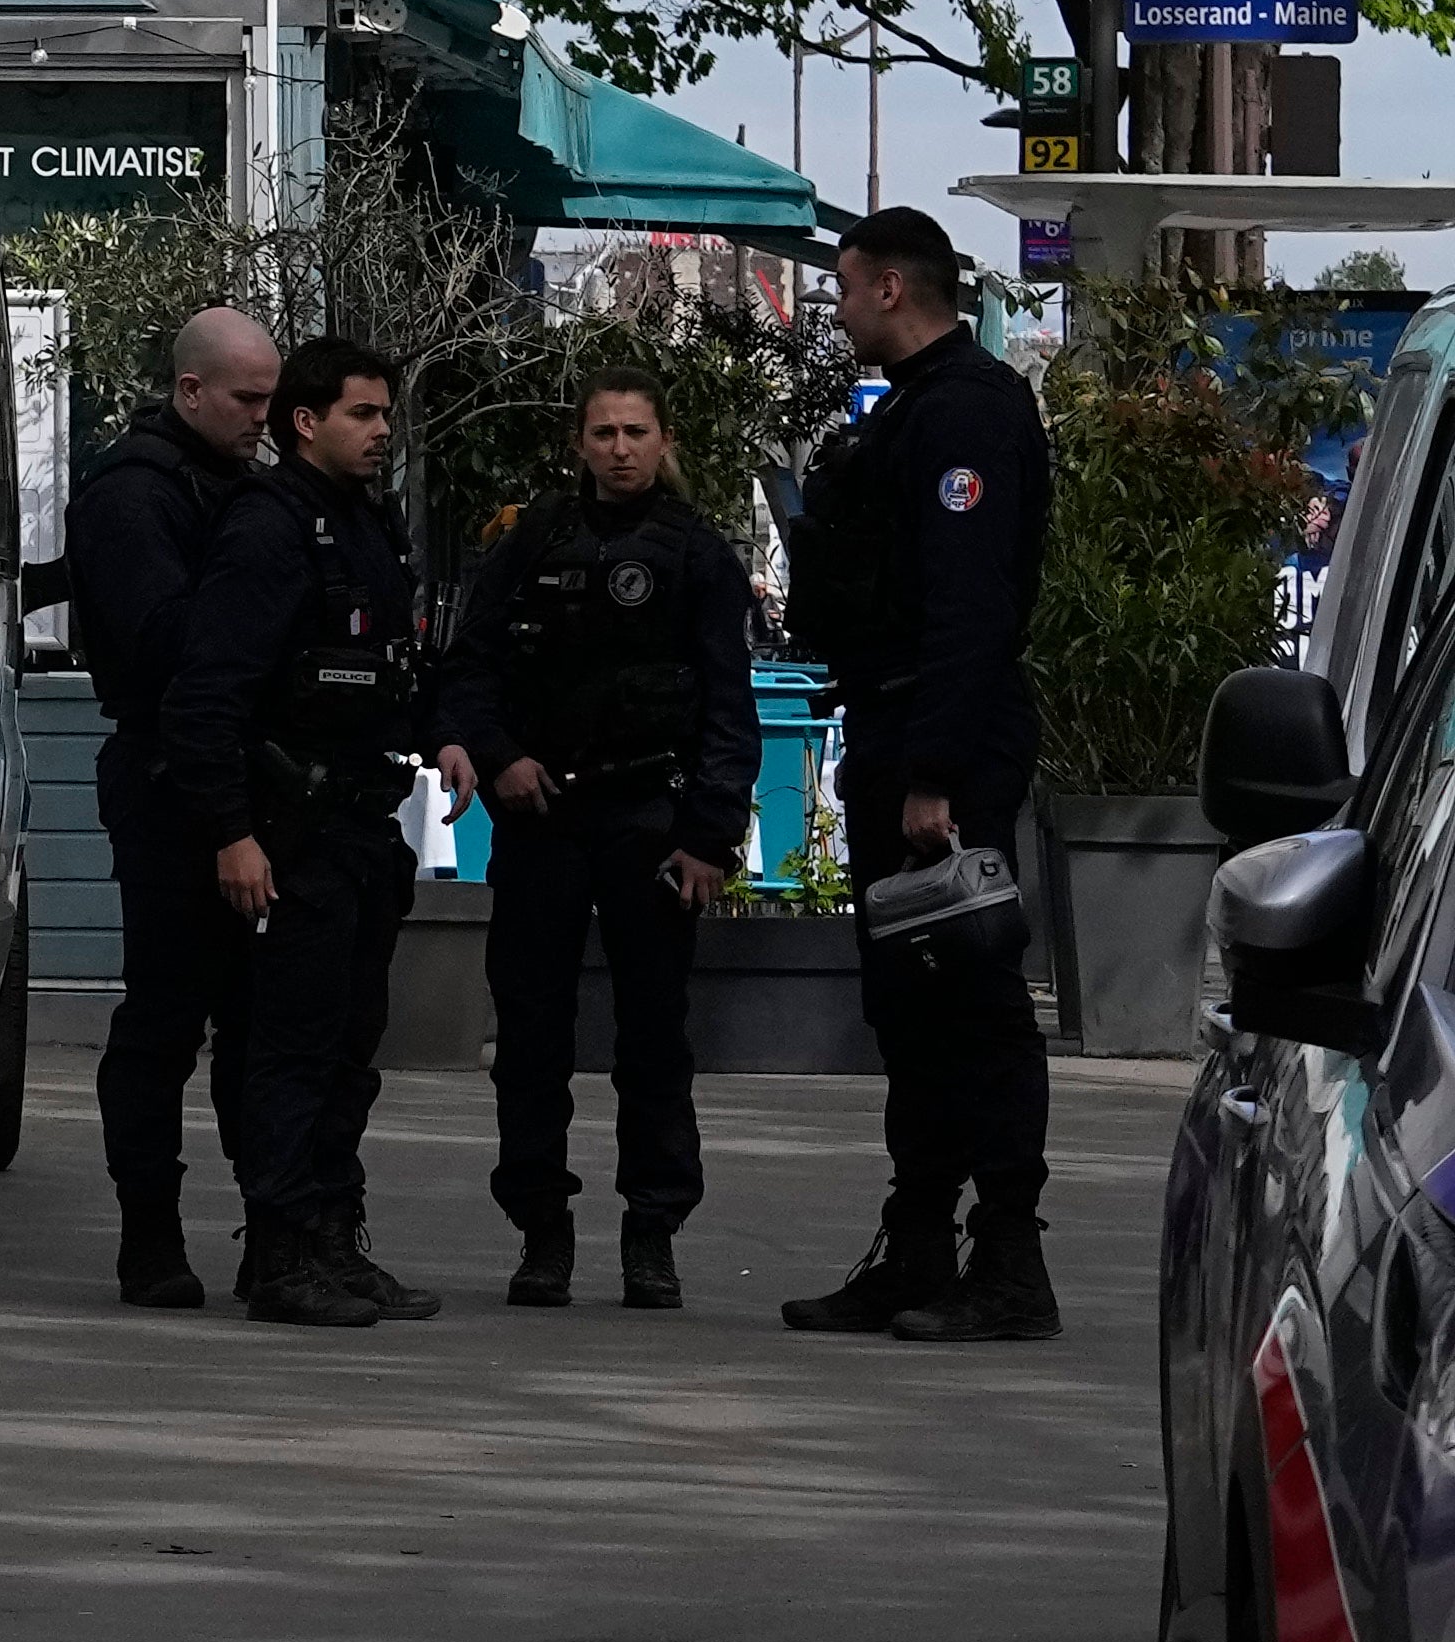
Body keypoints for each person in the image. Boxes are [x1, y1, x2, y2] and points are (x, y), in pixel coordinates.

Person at [777, 203, 1059, 1343]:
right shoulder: (919, 412)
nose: (838, 310)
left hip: (944, 745)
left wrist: (935, 773)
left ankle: (1006, 1263)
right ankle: (917, 1247)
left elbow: (969, 608)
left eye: (845, 288)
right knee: (911, 1009)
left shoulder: (967, 416)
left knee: (972, 1004)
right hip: (901, 732)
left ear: (893, 287)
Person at [436, 378, 759, 1311]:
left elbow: (730, 711)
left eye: (637, 432)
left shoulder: (698, 555)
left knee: (653, 1039)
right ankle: (542, 1230)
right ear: (578, 442)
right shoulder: (532, 539)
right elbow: (471, 667)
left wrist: (709, 837)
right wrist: (497, 758)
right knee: (532, 1034)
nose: (620, 448)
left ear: (665, 441)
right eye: (603, 432)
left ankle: (651, 1232)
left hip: (649, 823)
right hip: (544, 819)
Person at [169, 335, 433, 1329]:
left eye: (385, 414)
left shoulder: (366, 524)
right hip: (293, 831)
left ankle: (328, 1233)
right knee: (289, 1048)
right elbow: (211, 696)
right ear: (305, 422)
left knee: (348, 1051)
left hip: (363, 825)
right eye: (362, 414)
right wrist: (234, 834)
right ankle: (279, 1250)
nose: (380, 432)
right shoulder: (270, 529)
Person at [74, 306, 281, 1309]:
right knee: (167, 1017)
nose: (262, 418)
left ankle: (268, 1227)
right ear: (190, 390)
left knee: (254, 1022)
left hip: (243, 773)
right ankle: (149, 1232)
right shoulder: (133, 495)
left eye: (272, 400)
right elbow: (165, 642)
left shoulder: (240, 489)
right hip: (166, 778)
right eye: (246, 399)